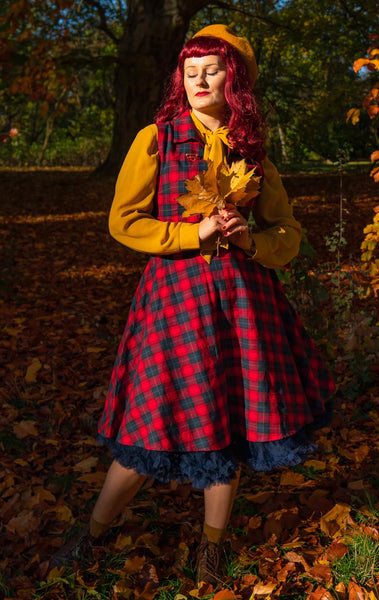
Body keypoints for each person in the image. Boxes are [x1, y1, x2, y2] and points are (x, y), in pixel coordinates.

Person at [52, 24, 335, 585]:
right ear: (180, 79)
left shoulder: (252, 151)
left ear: (237, 80)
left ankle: (211, 548)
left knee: (227, 421)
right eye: (190, 70)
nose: (200, 79)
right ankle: (92, 535)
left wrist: (251, 240)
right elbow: (123, 221)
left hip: (240, 304)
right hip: (174, 299)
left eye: (213, 68)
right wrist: (191, 234)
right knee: (146, 423)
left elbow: (288, 234)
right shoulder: (157, 138)